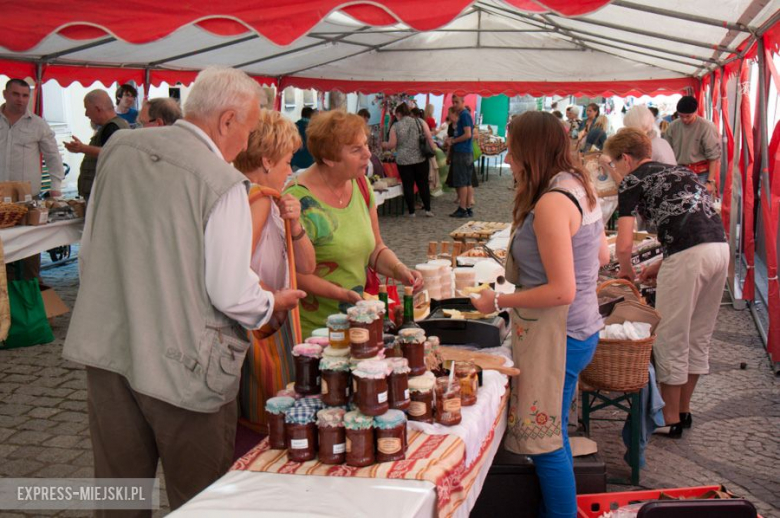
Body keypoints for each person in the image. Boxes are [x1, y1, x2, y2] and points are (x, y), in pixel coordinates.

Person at [63, 67, 307, 512]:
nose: (247, 143)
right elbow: (231, 291)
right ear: (227, 119)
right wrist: (272, 301)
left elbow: (95, 245)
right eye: (249, 130)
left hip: (109, 351)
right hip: (186, 368)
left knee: (119, 498)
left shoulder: (119, 147)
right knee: (198, 501)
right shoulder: (223, 183)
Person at [471, 111, 608, 518]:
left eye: (513, 153)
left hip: (559, 333)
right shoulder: (579, 184)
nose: (509, 162)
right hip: (578, 329)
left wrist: (498, 302)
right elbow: (600, 256)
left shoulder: (552, 201)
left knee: (546, 441)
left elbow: (562, 290)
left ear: (530, 152)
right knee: (553, 434)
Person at [603, 128, 728, 438]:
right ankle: (683, 411)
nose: (615, 171)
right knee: (698, 334)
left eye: (615, 164)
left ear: (627, 158)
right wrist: (661, 263)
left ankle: (669, 416)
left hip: (690, 256)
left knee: (671, 335)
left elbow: (623, 243)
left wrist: (627, 271)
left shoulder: (633, 179)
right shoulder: (680, 170)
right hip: (720, 248)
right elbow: (693, 220)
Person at [285, 110, 423, 338]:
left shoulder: (360, 184)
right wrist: (342, 294)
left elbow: (375, 248)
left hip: (359, 323)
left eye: (366, 145)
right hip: (318, 331)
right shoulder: (299, 200)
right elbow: (293, 273)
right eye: (356, 149)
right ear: (329, 158)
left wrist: (400, 270)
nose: (368, 154)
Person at [233, 109, 316, 433]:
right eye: (286, 161)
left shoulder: (269, 198)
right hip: (260, 326)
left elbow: (307, 265)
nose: (290, 169)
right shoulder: (256, 200)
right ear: (266, 160)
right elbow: (236, 271)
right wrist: (274, 298)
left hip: (270, 323)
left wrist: (294, 224)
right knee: (266, 422)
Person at [1, 78, 66, 281]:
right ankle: (6, 296)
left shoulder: (38, 124)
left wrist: (56, 187)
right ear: (5, 94)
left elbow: (53, 157)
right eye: (16, 94)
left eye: (25, 95)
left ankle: (31, 294)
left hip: (28, 197)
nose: (21, 100)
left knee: (29, 248)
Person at [65, 89, 130, 201]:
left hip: (104, 194)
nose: (86, 114)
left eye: (87, 109)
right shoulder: (118, 124)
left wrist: (82, 148)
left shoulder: (112, 128)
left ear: (97, 108)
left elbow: (111, 153)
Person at [382, 103, 435, 217]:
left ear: (399, 114)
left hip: (404, 160)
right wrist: (433, 151)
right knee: (423, 184)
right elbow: (429, 137)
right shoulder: (420, 121)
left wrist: (384, 144)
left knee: (407, 185)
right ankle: (428, 209)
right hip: (420, 158)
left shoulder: (396, 126)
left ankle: (411, 212)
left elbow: (392, 144)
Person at [662, 95, 720, 193]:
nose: (684, 119)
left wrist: (710, 181)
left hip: (701, 174)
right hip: (679, 171)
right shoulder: (673, 126)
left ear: (696, 112)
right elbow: (667, 150)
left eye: (688, 116)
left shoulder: (706, 127)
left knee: (700, 205)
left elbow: (713, 157)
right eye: (681, 116)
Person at [447, 94, 476, 218]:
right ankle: (468, 207)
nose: (454, 104)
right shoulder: (464, 115)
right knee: (467, 181)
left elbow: (468, 134)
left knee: (462, 182)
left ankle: (463, 208)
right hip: (466, 151)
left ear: (463, 102)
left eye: (456, 102)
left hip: (462, 152)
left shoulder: (464, 115)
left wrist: (453, 140)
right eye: (453, 102)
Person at [291, 106, 315, 171]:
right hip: (310, 164)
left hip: (295, 164)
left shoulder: (293, 127)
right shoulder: (314, 129)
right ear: (311, 115)